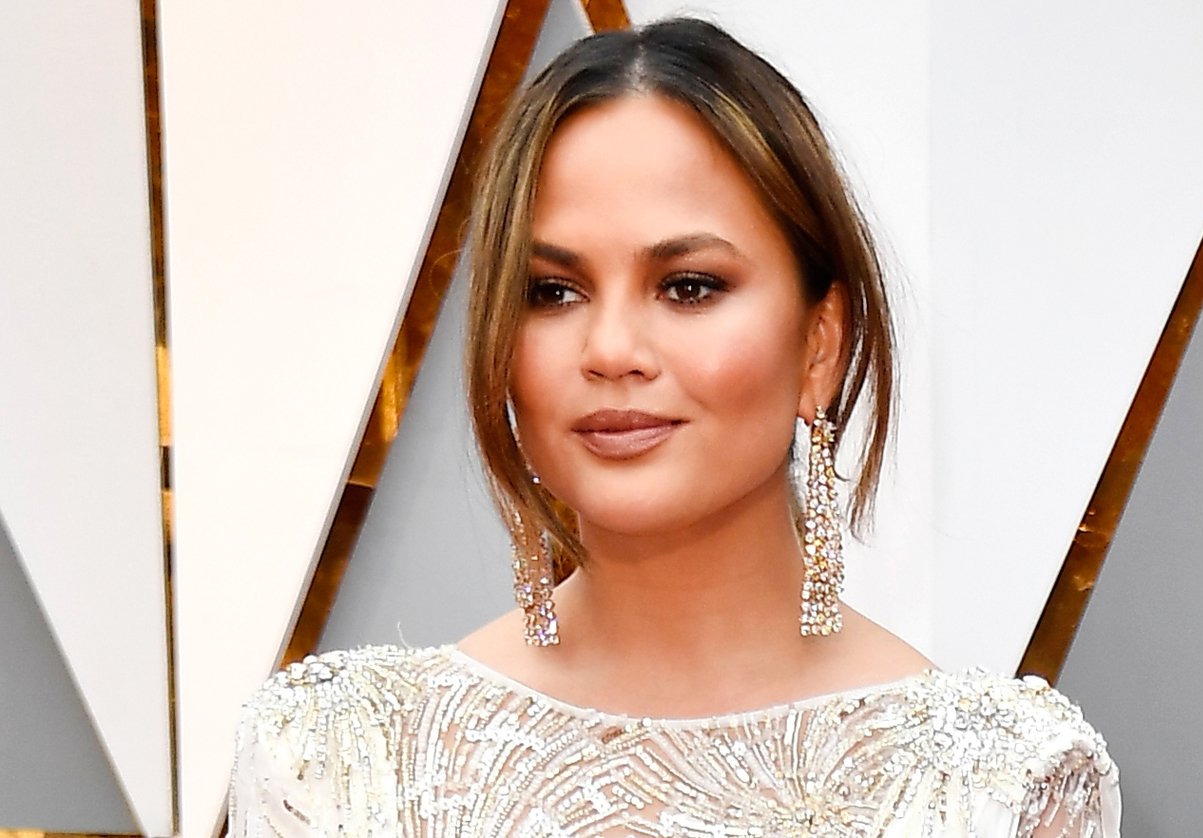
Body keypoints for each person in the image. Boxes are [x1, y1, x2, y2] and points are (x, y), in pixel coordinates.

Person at [228, 18, 1119, 837]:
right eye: (553, 292)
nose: (611, 350)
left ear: (820, 344)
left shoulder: (1001, 790)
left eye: (688, 287)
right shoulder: (335, 764)